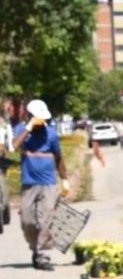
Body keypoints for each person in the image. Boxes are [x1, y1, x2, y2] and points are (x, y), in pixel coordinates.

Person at [12, 99, 69, 270]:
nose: (42, 122)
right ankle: (35, 250)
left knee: (46, 220)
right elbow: (14, 146)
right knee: (27, 220)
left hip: (48, 183)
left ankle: (43, 254)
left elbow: (58, 157)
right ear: (30, 116)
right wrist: (29, 127)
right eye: (38, 118)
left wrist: (64, 180)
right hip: (29, 183)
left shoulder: (50, 133)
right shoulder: (22, 131)